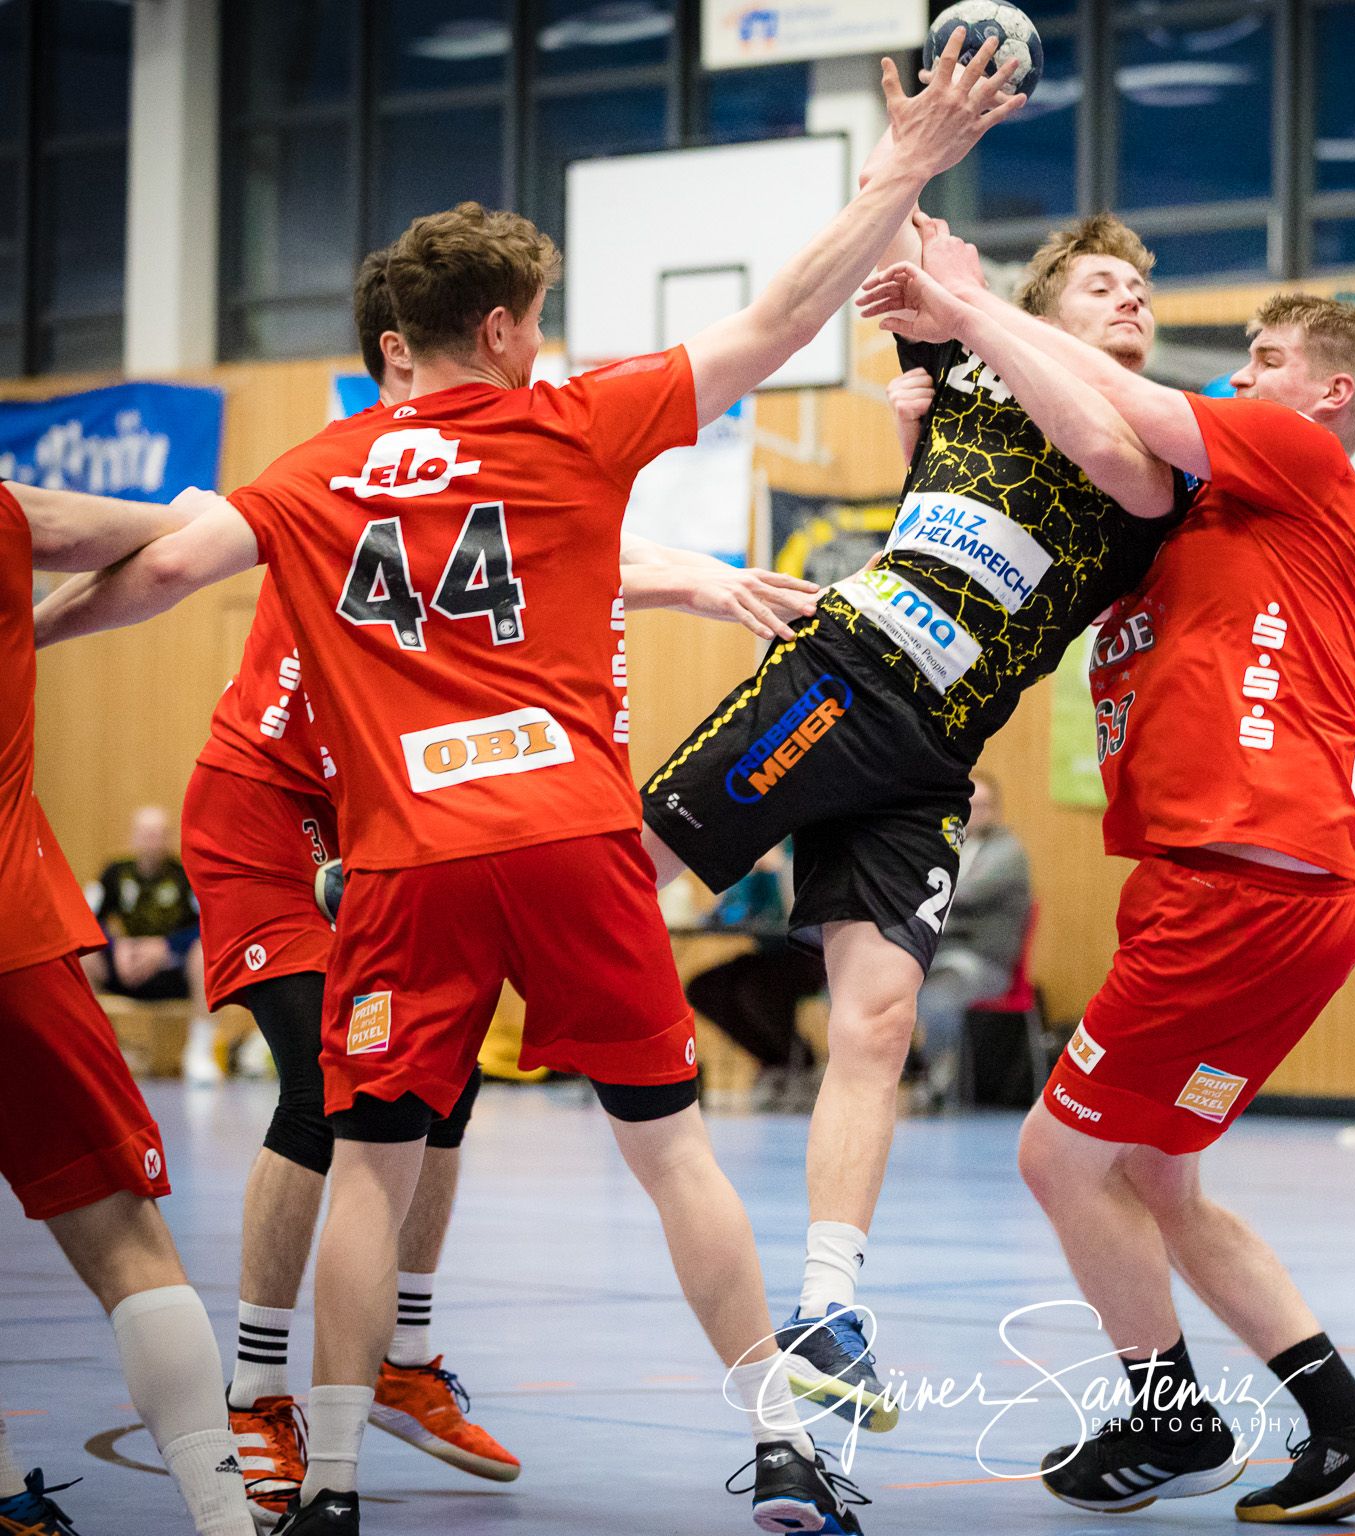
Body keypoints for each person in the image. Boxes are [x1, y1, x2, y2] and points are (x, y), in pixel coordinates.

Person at [31, 38, 1024, 1536]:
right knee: (671, 1148)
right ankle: (783, 1447)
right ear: (499, 331)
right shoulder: (576, 425)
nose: (544, 348)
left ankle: (339, 1484)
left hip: (406, 862)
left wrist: (20, 635)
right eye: (538, 328)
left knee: (370, 1160)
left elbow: (155, 569)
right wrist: (906, 166)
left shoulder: (314, 473)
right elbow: (780, 314)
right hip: (569, 832)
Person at [858, 242, 1355, 1521]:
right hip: (1276, 899)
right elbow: (999, 552)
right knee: (1157, 1177)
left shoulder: (1298, 457)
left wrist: (959, 308)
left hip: (1234, 885)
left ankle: (1167, 1421)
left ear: (1325, 394)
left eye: (1265, 360)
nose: (1238, 372)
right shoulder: (1178, 523)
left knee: (1058, 1162)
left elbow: (1125, 408)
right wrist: (935, 426)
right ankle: (1349, 1425)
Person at [639, 201, 1195, 1432]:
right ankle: (412, 917)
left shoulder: (1150, 444)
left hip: (932, 756)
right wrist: (916, 175)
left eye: (1139, 289)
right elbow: (888, 275)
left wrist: (968, 321)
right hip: (840, 675)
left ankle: (828, 1309)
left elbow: (1102, 457)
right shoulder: (956, 371)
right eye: (1101, 285)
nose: (1130, 301)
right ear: (1047, 305)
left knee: (877, 1024)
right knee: (625, 883)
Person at [172, 249, 517, 1523]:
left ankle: (402, 1357)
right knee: (329, 1087)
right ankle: (259, 1390)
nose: (514, 366)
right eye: (490, 342)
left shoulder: (494, 462)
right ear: (403, 355)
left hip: (378, 815)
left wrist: (703, 578)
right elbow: (172, 545)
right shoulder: (349, 466)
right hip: (263, 807)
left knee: (439, 1085)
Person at [0, 478, 256, 1536]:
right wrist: (204, 506)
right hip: (13, 932)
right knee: (125, 1246)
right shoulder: (10, 512)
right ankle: (223, 1515)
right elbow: (174, 543)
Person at [914, 772, 1032, 1109]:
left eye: (983, 806)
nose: (975, 813)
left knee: (936, 999)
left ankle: (939, 1085)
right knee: (880, 983)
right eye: (969, 806)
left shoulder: (1008, 853)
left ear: (996, 809)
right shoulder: (948, 849)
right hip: (939, 955)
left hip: (983, 963)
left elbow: (957, 896)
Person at [684, 845, 831, 1112]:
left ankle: (797, 1062)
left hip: (815, 956)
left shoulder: (798, 846)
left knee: (755, 989)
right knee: (704, 988)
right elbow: (732, 910)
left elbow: (802, 913)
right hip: (771, 953)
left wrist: (779, 870)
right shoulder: (760, 843)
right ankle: (775, 1060)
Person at [84, 803, 220, 1082]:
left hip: (170, 968)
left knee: (205, 954)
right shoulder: (114, 873)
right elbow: (87, 919)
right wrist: (116, 947)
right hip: (124, 966)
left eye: (159, 834)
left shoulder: (184, 876)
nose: (152, 841)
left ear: (168, 837)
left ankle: (199, 1052)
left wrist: (166, 946)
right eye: (146, 833)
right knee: (83, 957)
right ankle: (104, 1050)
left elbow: (207, 925)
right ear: (134, 837)